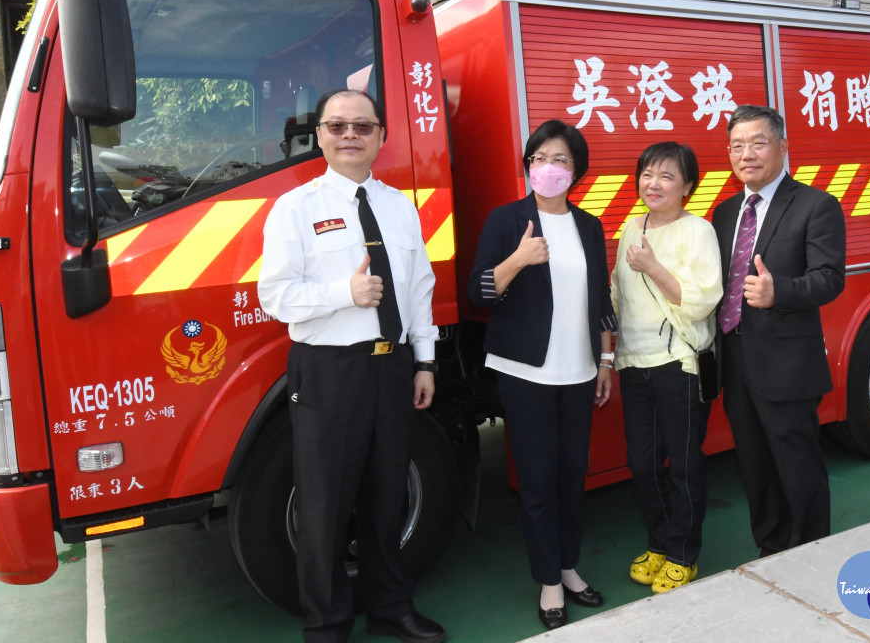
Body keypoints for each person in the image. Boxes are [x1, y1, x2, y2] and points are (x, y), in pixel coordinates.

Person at [258, 89, 445, 643]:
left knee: (387, 496)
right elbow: (275, 295)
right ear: (318, 136)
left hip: (394, 369)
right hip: (328, 373)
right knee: (324, 506)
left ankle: (390, 606)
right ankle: (327, 625)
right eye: (337, 126)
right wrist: (346, 291)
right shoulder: (296, 208)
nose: (350, 136)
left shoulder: (399, 206)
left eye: (362, 126)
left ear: (381, 137)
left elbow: (420, 291)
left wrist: (425, 362)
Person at [467, 119, 614, 632]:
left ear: (577, 172)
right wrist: (518, 260)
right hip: (523, 372)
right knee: (537, 478)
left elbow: (601, 300)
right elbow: (479, 292)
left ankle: (569, 566)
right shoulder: (508, 220)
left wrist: (606, 360)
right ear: (528, 164)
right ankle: (548, 580)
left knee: (572, 474)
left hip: (578, 370)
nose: (547, 168)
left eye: (560, 160)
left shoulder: (589, 226)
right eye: (539, 158)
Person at [712, 104, 845, 557]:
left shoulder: (816, 205)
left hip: (788, 364)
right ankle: (771, 550)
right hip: (735, 362)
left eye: (757, 142)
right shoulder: (725, 211)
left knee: (797, 464)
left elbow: (829, 278)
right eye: (736, 145)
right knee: (753, 465)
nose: (745, 154)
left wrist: (779, 290)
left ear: (783, 147)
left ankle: (811, 550)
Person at [611, 142, 722, 593]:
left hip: (680, 363)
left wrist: (654, 267)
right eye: (647, 174)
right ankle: (659, 541)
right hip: (633, 363)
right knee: (642, 463)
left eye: (666, 176)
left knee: (684, 464)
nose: (653, 184)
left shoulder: (698, 231)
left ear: (687, 187)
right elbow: (618, 294)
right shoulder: (629, 227)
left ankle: (683, 552)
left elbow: (702, 300)